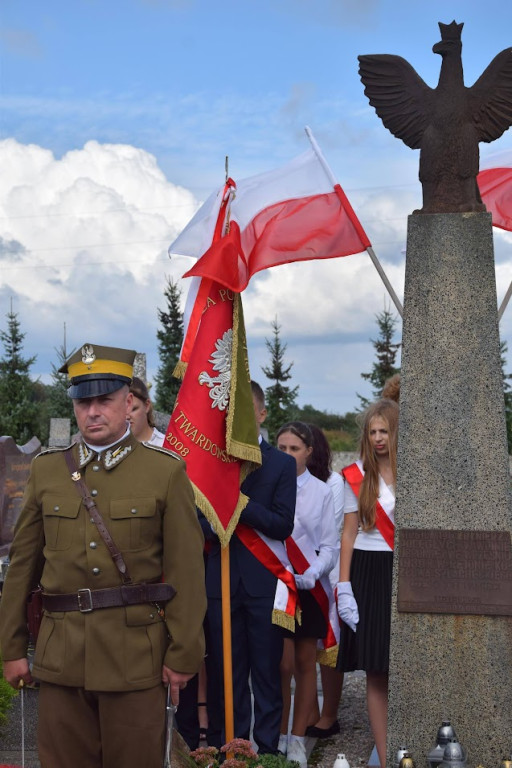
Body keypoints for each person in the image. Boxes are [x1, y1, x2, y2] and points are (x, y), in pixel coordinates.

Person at [0, 342, 206, 768]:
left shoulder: (165, 471)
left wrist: (183, 654)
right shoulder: (47, 470)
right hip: (61, 660)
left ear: (129, 402)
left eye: (104, 400)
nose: (92, 411)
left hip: (135, 657)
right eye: (83, 401)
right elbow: (22, 568)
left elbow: (186, 572)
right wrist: (12, 647)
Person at [201, 381, 296, 755]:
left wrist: (239, 503)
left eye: (243, 414)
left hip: (262, 581)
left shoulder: (281, 464)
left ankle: (269, 751)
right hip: (220, 581)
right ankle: (234, 748)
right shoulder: (212, 461)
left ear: (261, 414)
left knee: (266, 674)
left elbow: (282, 524)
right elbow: (198, 518)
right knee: (228, 672)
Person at [336, 398, 399, 768]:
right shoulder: (355, 475)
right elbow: (347, 535)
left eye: (384, 431)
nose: (378, 438)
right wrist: (344, 587)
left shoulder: (415, 473)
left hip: (405, 571)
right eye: (372, 431)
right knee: (376, 667)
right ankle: (386, 755)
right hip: (367, 571)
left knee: (402, 663)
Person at [276, 421, 339, 768]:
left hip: (308, 585)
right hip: (276, 586)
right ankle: (281, 734)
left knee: (303, 664)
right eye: (281, 448)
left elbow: (329, 544)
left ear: (309, 453)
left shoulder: (321, 491)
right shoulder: (266, 484)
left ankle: (298, 737)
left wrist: (315, 571)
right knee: (280, 665)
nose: (287, 455)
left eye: (294, 449)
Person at [305, 424, 344, 738]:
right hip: (295, 575)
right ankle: (310, 710)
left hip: (326, 575)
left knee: (328, 650)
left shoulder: (334, 483)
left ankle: (330, 714)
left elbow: (329, 530)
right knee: (302, 649)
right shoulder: (287, 482)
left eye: (298, 448)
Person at [129, 376, 166, 445]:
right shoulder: (109, 449)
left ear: (146, 406)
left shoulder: (165, 445)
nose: (127, 416)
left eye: (133, 409)